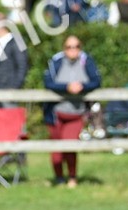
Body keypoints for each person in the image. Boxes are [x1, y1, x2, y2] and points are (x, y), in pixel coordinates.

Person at [43, 35, 102, 188]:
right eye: (69, 47)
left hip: (76, 113)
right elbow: (48, 82)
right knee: (56, 148)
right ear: (64, 48)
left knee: (69, 145)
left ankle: (72, 177)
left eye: (76, 47)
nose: (72, 50)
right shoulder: (56, 62)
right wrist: (67, 87)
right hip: (56, 113)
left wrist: (82, 86)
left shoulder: (86, 61)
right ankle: (59, 178)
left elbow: (96, 81)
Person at [0, 12, 28, 109]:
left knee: (10, 121)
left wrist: (14, 87)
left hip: (8, 92)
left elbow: (22, 66)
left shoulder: (16, 41)